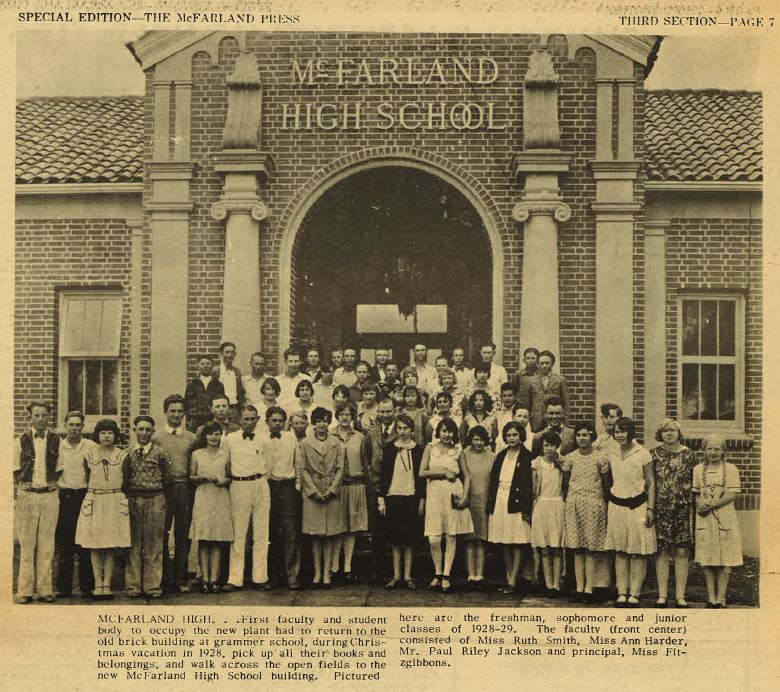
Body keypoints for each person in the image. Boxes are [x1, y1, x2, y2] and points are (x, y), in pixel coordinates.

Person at [75, 419, 131, 600]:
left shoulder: (122, 455)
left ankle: (107, 584)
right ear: (97, 435)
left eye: (110, 432)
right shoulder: (89, 455)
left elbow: (127, 481)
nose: (106, 436)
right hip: (95, 499)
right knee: (95, 543)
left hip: (114, 500)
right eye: (103, 432)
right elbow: (86, 477)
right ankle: (97, 584)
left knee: (110, 543)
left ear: (115, 435)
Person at [605, 417, 657, 607]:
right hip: (617, 506)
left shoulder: (642, 453)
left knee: (637, 551)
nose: (620, 435)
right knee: (620, 551)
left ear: (631, 432)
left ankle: (634, 593)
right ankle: (621, 592)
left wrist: (651, 508)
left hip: (638, 506)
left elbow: (651, 482)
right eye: (617, 431)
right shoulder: (611, 453)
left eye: (624, 431)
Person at [14, 401, 62, 604]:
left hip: (49, 495)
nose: (41, 419)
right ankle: (24, 591)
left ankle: (45, 589)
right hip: (27, 495)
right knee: (27, 544)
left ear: (49, 417)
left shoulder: (57, 440)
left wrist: (51, 485)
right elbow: (14, 468)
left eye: (44, 415)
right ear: (30, 418)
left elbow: (61, 468)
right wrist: (23, 488)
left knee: (47, 544)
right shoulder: (20, 441)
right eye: (37, 415)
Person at [419, 418, 473, 593]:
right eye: (443, 430)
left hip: (452, 491)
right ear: (438, 432)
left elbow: (467, 476)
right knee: (434, 537)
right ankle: (437, 572)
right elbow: (421, 472)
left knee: (451, 534)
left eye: (450, 431)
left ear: (454, 433)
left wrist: (465, 496)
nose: (446, 434)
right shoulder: (430, 448)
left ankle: (446, 575)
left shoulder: (458, 451)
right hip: (434, 492)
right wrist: (442, 472)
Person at [151, 394, 197, 593]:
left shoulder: (191, 438)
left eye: (180, 411)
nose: (176, 415)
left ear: (184, 413)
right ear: (165, 412)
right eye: (172, 411)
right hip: (163, 488)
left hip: (185, 488)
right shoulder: (156, 437)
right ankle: (162, 578)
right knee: (161, 533)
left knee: (183, 534)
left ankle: (180, 577)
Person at [561, 421, 611, 603]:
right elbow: (566, 483)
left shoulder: (600, 458)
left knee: (590, 548)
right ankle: (579, 587)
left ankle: (589, 588)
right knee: (577, 548)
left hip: (593, 504)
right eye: (579, 435)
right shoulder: (570, 458)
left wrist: (600, 502)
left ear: (592, 436)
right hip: (574, 504)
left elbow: (606, 485)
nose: (581, 438)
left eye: (585, 435)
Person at [223, 405, 271, 592]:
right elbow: (226, 464)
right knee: (239, 533)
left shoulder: (264, 439)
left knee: (261, 533)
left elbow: (269, 463)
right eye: (246, 419)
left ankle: (260, 577)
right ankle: (235, 578)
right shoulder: (230, 439)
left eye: (253, 419)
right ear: (240, 420)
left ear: (257, 419)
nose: (249, 422)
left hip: (260, 483)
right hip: (239, 485)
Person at [125, 415, 172, 599]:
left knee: (154, 544)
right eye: (140, 429)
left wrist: (162, 501)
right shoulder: (127, 453)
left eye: (148, 430)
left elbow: (168, 479)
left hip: (155, 499)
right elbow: (124, 478)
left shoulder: (160, 453)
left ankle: (153, 586)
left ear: (153, 431)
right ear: (134, 430)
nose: (144, 433)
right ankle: (134, 586)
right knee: (134, 545)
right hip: (134, 500)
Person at [693, 434, 743, 608]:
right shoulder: (698, 469)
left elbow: (732, 494)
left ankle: (721, 598)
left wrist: (713, 505)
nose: (713, 452)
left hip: (724, 515)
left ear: (723, 451)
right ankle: (711, 597)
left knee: (724, 558)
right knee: (708, 558)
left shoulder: (731, 469)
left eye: (717, 449)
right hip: (705, 519)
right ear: (704, 450)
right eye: (709, 448)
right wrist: (700, 504)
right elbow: (697, 493)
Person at [652, 419, 696, 608]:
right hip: (661, 509)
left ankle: (680, 596)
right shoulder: (653, 454)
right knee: (662, 551)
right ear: (660, 434)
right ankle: (662, 595)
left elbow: (695, 482)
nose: (669, 433)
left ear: (679, 433)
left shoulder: (689, 454)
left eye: (672, 430)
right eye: (665, 430)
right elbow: (650, 482)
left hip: (683, 509)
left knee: (682, 551)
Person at [486, 421, 533, 597]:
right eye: (508, 435)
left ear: (521, 435)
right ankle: (509, 576)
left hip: (517, 502)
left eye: (515, 435)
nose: (512, 438)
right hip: (500, 499)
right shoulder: (501, 455)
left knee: (518, 540)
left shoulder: (527, 456)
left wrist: (526, 508)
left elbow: (529, 485)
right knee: (504, 540)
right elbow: (493, 480)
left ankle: (514, 579)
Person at [299, 407, 345, 588]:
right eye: (318, 420)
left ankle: (327, 573)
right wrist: (312, 491)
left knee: (329, 535)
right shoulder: (305, 443)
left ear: (329, 422)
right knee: (316, 534)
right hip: (313, 493)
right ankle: (317, 572)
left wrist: (332, 489)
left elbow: (341, 468)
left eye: (325, 421)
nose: (321, 424)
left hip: (331, 492)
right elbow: (302, 468)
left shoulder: (337, 443)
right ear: (313, 422)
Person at [378, 414, 424, 589]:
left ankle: (408, 575)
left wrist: (421, 499)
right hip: (393, 496)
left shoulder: (418, 449)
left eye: (406, 428)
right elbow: (384, 475)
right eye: (399, 428)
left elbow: (421, 479)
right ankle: (396, 575)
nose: (403, 432)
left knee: (410, 538)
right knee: (396, 538)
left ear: (412, 430)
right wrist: (381, 498)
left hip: (412, 497)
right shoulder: (390, 448)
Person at [55, 410, 96, 599]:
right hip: (64, 498)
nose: (74, 428)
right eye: (70, 425)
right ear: (65, 426)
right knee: (65, 545)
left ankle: (87, 587)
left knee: (85, 543)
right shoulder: (57, 447)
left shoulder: (90, 447)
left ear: (83, 427)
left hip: (84, 496)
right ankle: (64, 588)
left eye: (77, 425)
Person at [189, 421, 233, 593]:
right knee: (204, 539)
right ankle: (204, 579)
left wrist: (224, 480)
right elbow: (191, 477)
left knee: (217, 539)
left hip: (220, 497)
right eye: (210, 434)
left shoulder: (225, 454)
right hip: (204, 496)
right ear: (204, 436)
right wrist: (203, 477)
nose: (214, 437)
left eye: (217, 434)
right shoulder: (197, 454)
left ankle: (214, 579)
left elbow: (229, 476)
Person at [262, 406, 302, 590]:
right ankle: (272, 576)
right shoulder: (261, 439)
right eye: (273, 420)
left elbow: (298, 463)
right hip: (268, 487)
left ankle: (291, 574)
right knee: (270, 533)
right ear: (267, 421)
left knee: (290, 532)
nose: (277, 424)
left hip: (287, 488)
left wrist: (297, 487)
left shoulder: (291, 438)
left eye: (280, 421)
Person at [331, 404, 370, 583]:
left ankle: (347, 566)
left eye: (348, 414)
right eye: (342, 414)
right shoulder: (330, 435)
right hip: (336, 486)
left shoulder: (360, 437)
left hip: (355, 484)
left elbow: (365, 461)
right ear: (337, 416)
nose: (345, 417)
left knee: (352, 528)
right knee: (338, 526)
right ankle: (334, 566)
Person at [366, 398, 398, 583]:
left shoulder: (400, 430)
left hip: (396, 485)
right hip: (377, 485)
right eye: (382, 412)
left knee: (394, 529)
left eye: (389, 411)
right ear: (378, 411)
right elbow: (368, 459)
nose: (385, 415)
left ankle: (395, 571)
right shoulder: (372, 433)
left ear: (394, 411)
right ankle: (377, 571)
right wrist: (373, 483)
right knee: (377, 531)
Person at [531, 430, 565, 597]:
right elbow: (533, 488)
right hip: (542, 505)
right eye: (546, 445)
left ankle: (557, 584)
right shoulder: (536, 464)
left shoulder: (563, 462)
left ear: (557, 446)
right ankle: (548, 583)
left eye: (552, 445)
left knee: (556, 547)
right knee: (544, 548)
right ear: (542, 446)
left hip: (558, 505)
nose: (549, 449)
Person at [460, 426, 494, 589]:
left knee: (480, 540)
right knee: (469, 540)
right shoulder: (464, 454)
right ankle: (470, 575)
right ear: (470, 440)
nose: (478, 443)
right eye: (475, 439)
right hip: (468, 501)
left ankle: (479, 575)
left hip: (484, 502)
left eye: (481, 439)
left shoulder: (492, 457)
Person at [519, 350, 569, 432]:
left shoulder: (560, 380)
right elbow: (526, 404)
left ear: (552, 364)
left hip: (554, 420)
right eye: (542, 363)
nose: (544, 365)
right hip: (536, 421)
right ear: (538, 364)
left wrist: (565, 423)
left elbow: (566, 404)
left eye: (547, 363)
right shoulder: (530, 381)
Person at [185, 354, 226, 432]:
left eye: (208, 363)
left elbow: (222, 403)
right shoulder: (192, 384)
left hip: (213, 420)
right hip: (196, 422)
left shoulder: (218, 384)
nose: (205, 366)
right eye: (202, 364)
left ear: (212, 366)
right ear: (198, 366)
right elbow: (187, 404)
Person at [213, 341, 246, 424]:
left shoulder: (236, 371)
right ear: (221, 353)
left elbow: (239, 392)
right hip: (219, 409)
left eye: (232, 352)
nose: (230, 355)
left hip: (233, 409)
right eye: (227, 352)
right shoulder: (215, 370)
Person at [494, 383, 518, 453]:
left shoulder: (518, 412)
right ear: (501, 397)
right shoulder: (498, 413)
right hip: (500, 446)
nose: (507, 398)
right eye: (504, 396)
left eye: (510, 396)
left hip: (515, 445)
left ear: (515, 397)